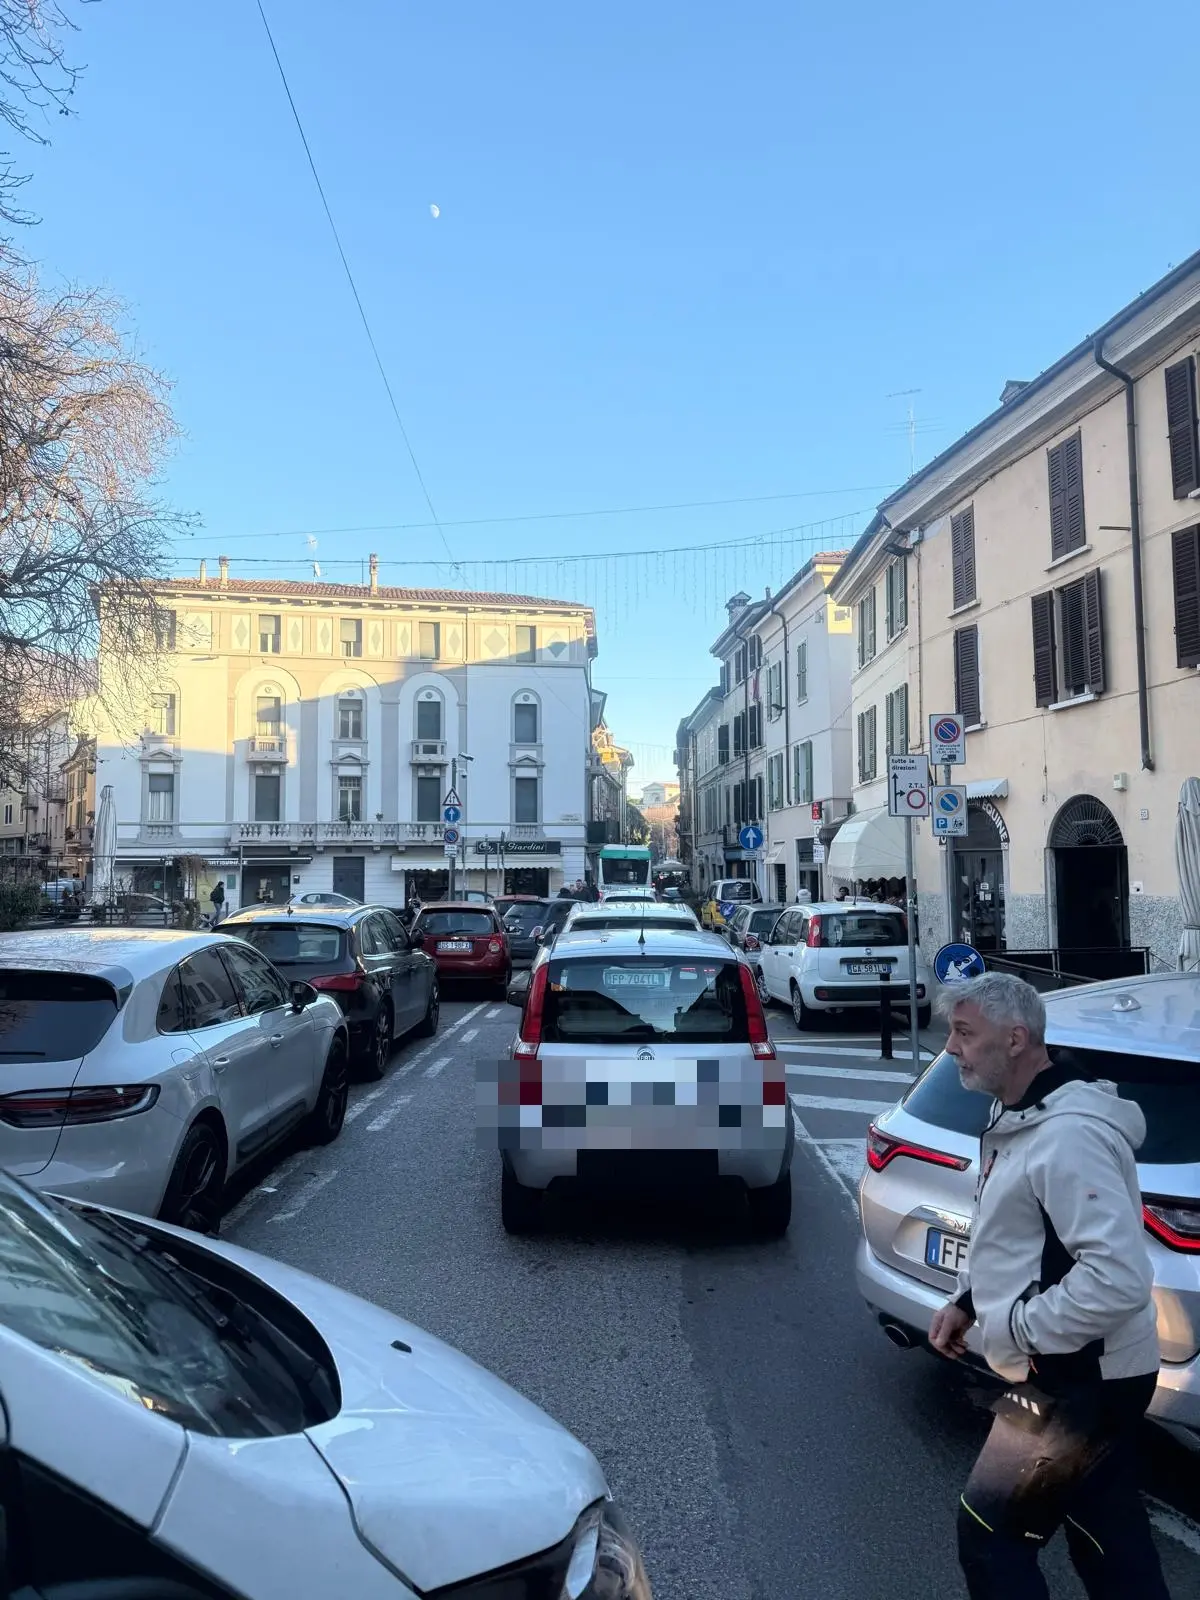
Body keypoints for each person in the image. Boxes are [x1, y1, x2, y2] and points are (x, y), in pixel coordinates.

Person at [929, 972, 1170, 1599]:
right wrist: (968, 1299)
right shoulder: (1018, 1114)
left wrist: (1016, 1329)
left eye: (963, 1032)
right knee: (1107, 1538)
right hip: (1087, 1371)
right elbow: (1013, 1235)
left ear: (1015, 1039)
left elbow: (1117, 1278)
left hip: (1076, 1377)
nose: (951, 1047)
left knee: (989, 1536)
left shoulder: (1070, 1134)